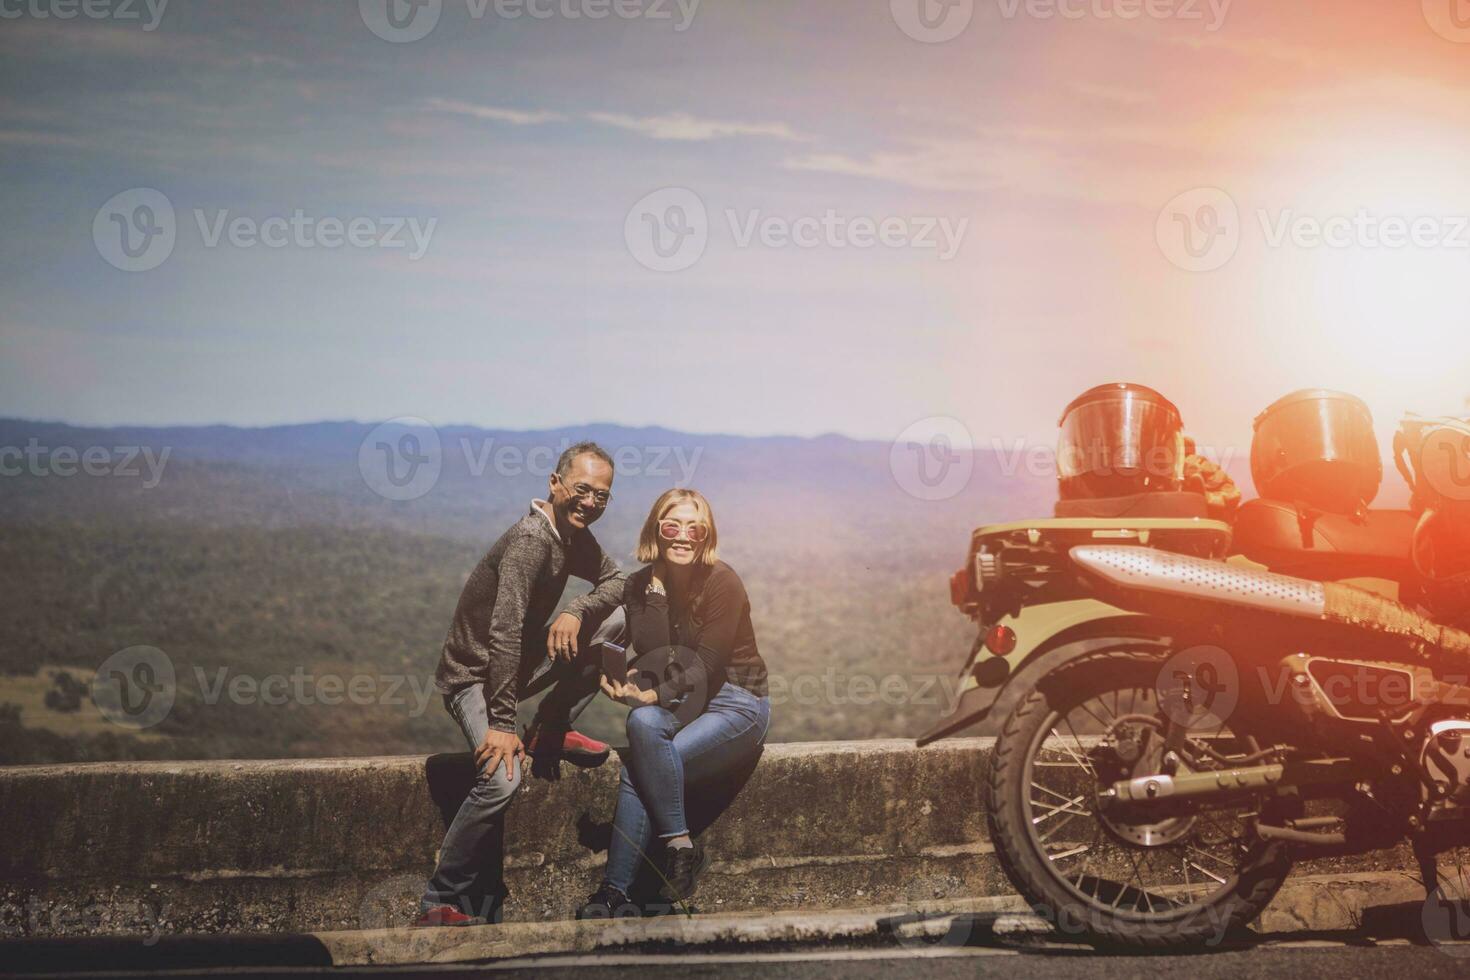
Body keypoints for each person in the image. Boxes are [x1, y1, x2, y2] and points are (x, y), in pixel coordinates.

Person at [415, 442, 627, 927]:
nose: (590, 503)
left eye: (602, 496)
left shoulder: (572, 537)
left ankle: (550, 727)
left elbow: (619, 582)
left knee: (616, 618)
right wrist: (503, 723)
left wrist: (575, 610)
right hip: (472, 677)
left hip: (517, 665)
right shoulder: (533, 539)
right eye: (581, 490)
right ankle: (436, 902)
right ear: (555, 485)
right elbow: (503, 631)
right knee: (503, 777)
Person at [577, 489, 772, 917]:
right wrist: (657, 598)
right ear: (656, 530)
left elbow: (706, 662)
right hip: (688, 698)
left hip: (738, 701)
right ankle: (673, 854)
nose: (683, 536)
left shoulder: (723, 581)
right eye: (672, 526)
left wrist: (651, 693)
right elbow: (656, 652)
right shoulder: (638, 585)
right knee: (643, 724)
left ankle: (618, 887)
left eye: (694, 527)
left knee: (646, 766)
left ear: (706, 535)